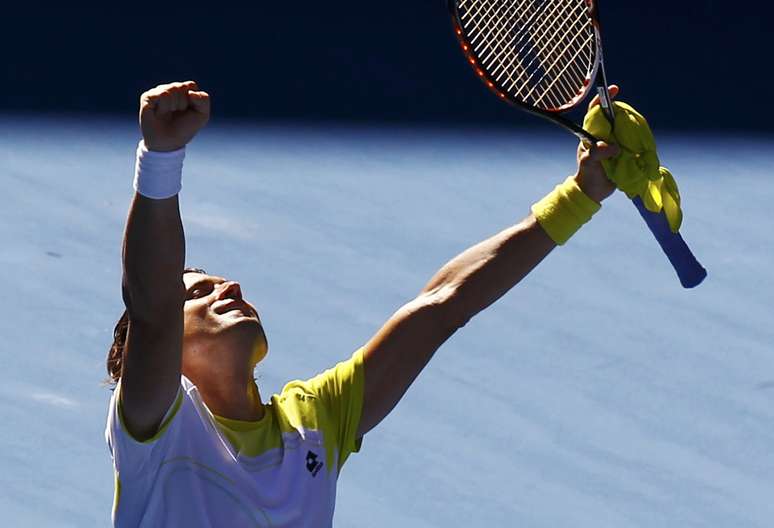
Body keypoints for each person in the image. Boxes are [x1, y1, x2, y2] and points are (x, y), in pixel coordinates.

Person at [105, 80, 620, 527]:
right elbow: (151, 307)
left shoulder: (313, 422)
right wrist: (161, 160)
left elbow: (442, 304)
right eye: (197, 293)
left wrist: (581, 194)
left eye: (221, 283)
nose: (230, 287)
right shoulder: (156, 432)